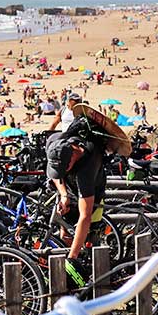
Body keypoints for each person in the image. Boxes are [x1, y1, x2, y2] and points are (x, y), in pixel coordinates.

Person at [45, 116, 108, 289]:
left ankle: (88, 272)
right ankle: (66, 280)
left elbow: (85, 216)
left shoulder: (87, 166)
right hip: (69, 187)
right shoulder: (54, 142)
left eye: (65, 167)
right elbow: (55, 176)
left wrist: (72, 258)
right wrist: (64, 194)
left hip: (93, 190)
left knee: (88, 233)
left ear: (74, 155)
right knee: (64, 232)